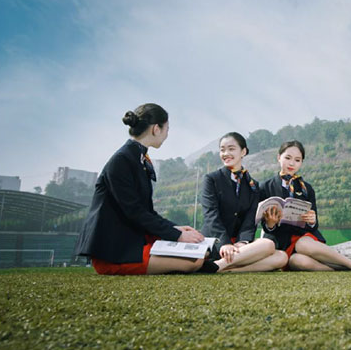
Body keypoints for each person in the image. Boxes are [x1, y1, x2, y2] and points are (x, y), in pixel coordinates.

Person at [74, 103, 217, 275]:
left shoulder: (137, 158)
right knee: (194, 261)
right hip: (116, 251)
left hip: (132, 239)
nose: (167, 135)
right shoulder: (122, 160)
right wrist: (177, 235)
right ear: (156, 129)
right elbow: (134, 211)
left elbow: (145, 211)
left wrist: (176, 229)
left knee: (201, 253)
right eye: (167, 129)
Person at [260, 140, 351, 271]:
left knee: (302, 244)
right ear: (279, 157)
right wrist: (270, 224)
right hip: (282, 242)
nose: (292, 163)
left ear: (301, 162)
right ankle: (339, 269)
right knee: (297, 261)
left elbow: (314, 224)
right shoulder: (265, 187)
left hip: (305, 239)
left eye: (297, 160)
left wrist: (312, 221)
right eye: (288, 158)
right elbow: (265, 225)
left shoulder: (306, 188)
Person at [201, 132, 287, 272]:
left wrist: (242, 242)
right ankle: (224, 263)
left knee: (281, 256)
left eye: (231, 149)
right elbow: (211, 215)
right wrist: (225, 243)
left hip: (240, 247)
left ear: (243, 152)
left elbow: (250, 220)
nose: (226, 153)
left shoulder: (253, 185)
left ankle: (222, 267)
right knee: (269, 247)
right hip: (217, 242)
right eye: (222, 150)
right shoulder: (211, 179)